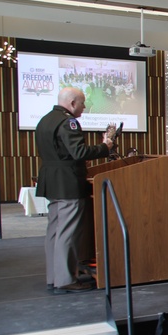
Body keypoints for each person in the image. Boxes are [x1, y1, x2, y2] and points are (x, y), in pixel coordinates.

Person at [36, 87, 114, 293]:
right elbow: (78, 152)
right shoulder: (68, 122)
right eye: (82, 103)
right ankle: (65, 279)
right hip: (68, 182)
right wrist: (104, 147)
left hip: (52, 182)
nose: (84, 107)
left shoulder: (45, 120)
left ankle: (54, 276)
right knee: (67, 232)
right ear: (72, 103)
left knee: (54, 230)